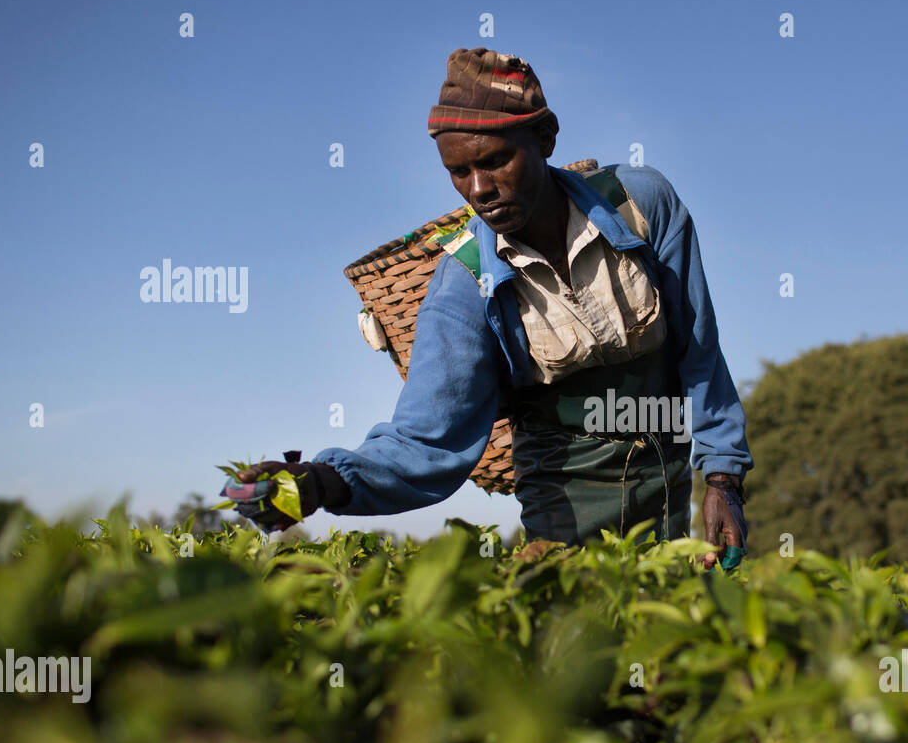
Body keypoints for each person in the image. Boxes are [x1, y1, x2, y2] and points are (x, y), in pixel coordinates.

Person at [222, 47, 751, 568]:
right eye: (458, 171)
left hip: (666, 464)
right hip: (562, 487)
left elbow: (698, 348)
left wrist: (723, 477)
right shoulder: (464, 284)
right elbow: (427, 440)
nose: (479, 190)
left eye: (496, 161)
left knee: (672, 627)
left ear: (544, 139)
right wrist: (318, 482)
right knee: (580, 629)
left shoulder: (639, 205)